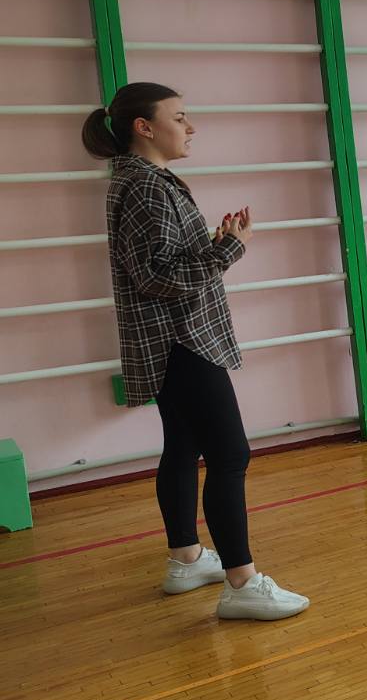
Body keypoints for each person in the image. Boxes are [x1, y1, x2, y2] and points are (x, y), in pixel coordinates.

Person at [82, 82, 309, 620]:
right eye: (179, 117)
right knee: (230, 455)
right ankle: (242, 583)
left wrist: (213, 245)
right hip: (181, 342)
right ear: (144, 127)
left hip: (174, 339)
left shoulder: (143, 180)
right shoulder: (145, 187)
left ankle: (186, 558)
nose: (191, 127)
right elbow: (156, 277)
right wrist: (229, 249)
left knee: (183, 446)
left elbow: (159, 263)